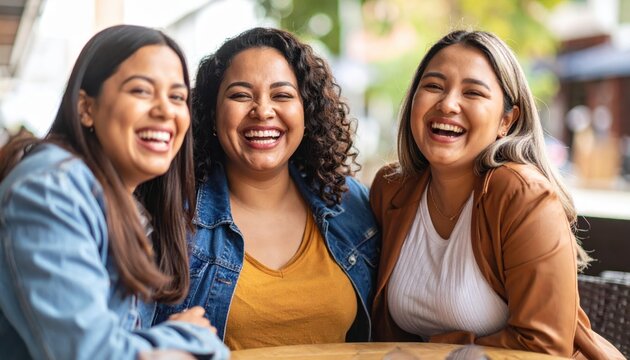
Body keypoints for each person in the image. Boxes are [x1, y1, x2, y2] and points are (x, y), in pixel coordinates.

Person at [369, 30, 624, 359]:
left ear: (507, 120)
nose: (447, 104)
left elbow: (544, 348)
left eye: (473, 92)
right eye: (433, 86)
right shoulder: (390, 189)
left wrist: (428, 351)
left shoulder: (523, 195)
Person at [0, 25, 229, 360]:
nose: (165, 110)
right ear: (86, 108)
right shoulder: (51, 190)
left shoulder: (128, 205)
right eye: (141, 91)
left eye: (177, 96)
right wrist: (190, 337)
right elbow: (90, 353)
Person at [150, 27, 380, 350]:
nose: (263, 111)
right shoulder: (172, 214)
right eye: (241, 95)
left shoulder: (350, 204)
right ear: (212, 113)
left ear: (306, 112)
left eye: (282, 95)